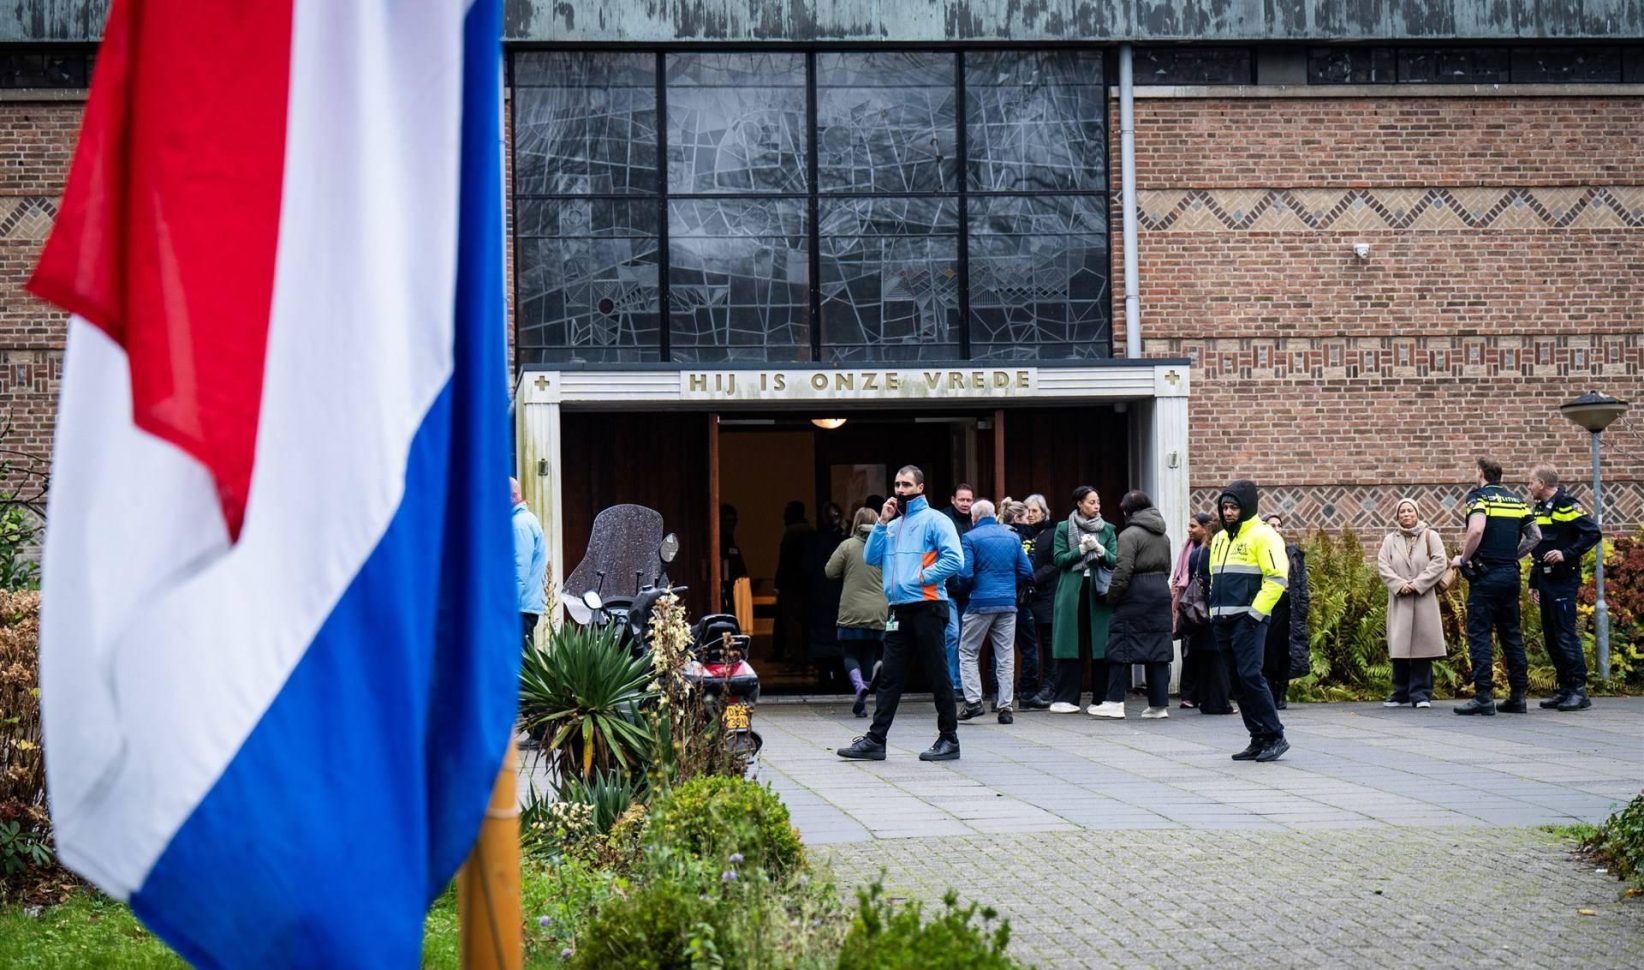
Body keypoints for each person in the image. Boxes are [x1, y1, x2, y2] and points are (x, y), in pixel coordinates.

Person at [837, 465, 965, 762]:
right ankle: (875, 740)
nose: (900, 489)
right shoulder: (892, 525)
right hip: (898, 609)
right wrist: (881, 522)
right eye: (897, 484)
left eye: (906, 484)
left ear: (921, 487)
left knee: (937, 674)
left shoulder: (936, 520)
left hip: (928, 606)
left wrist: (922, 577)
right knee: (890, 677)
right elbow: (870, 557)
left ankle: (949, 738)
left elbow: (955, 559)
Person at [1208, 479, 1290, 762]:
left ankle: (1275, 735)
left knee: (1250, 676)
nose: (1228, 512)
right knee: (1237, 681)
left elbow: (1277, 578)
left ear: (1247, 507)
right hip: (1222, 621)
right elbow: (1214, 579)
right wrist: (1212, 613)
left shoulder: (1264, 535)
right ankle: (1257, 736)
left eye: (1234, 507)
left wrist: (1255, 614)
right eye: (1225, 507)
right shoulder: (1219, 539)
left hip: (1248, 620)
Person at [1453, 458, 1541, 716]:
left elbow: (1477, 529)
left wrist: (1464, 558)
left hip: (1486, 576)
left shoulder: (1479, 498)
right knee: (1511, 635)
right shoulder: (1516, 502)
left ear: (1480, 473)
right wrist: (1513, 555)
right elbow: (1536, 536)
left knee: (1479, 634)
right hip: (1510, 576)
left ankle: (1483, 697)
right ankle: (1518, 697)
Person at [1527, 464, 1603, 711]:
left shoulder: (1567, 505)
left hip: (1563, 580)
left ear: (1542, 483)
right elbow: (1538, 547)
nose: (1529, 487)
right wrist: (1533, 583)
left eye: (1531, 482)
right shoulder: (1539, 508)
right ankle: (1564, 688)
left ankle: (1578, 690)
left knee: (1564, 633)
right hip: (1546, 580)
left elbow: (1592, 534)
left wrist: (1566, 553)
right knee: (1551, 635)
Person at [1094, 490, 1174, 719]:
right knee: (1158, 648)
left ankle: (1114, 702)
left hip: (1135, 593)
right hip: (1159, 591)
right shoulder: (1163, 536)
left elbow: (1123, 570)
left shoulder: (1129, 535)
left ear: (1128, 511)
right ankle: (1159, 705)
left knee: (1120, 645)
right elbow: (1167, 568)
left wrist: (1112, 596)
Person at [956, 500, 1033, 725]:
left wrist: (964, 591)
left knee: (968, 651)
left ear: (974, 517)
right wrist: (1008, 585)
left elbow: (966, 574)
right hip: (1007, 603)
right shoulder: (1012, 537)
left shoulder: (970, 538)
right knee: (1005, 655)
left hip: (980, 602)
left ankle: (973, 701)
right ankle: (1006, 707)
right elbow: (1026, 570)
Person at [1044, 486, 1117, 714]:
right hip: (1072, 590)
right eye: (1092, 502)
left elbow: (1115, 561)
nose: (1096, 506)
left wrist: (1101, 551)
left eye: (1098, 502)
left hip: (1099, 590)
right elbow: (1059, 560)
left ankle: (1102, 697)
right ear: (1079, 504)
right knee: (1070, 643)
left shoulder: (1107, 529)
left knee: (1100, 644)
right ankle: (1066, 697)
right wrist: (1081, 550)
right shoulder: (1064, 528)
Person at [1376, 498, 1449, 708]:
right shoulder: (1390, 540)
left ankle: (1421, 693)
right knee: (1399, 647)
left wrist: (1417, 584)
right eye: (1402, 512)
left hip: (1423, 597)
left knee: (1422, 646)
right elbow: (1383, 566)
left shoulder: (1430, 536)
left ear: (1417, 513)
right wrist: (1400, 585)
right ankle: (1400, 692)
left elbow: (1439, 562)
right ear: (1397, 516)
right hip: (1400, 598)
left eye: (1410, 511)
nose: (1406, 514)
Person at [826, 507, 888, 717]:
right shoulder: (884, 544)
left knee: (850, 653)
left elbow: (830, 571)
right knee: (869, 654)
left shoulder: (848, 545)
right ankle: (862, 702)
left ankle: (859, 686)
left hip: (852, 609)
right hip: (879, 609)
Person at [1261, 513, 1310, 710]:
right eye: (1271, 525)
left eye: (1279, 525)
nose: (1276, 528)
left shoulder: (1291, 553)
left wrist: (1303, 605)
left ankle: (1281, 692)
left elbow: (1301, 582)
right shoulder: (1259, 550)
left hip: (1287, 607)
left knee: (1285, 651)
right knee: (1268, 651)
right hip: (1266, 605)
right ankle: (1269, 692)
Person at [1021, 494, 1061, 710]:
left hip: (1046, 596)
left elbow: (1055, 564)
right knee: (1029, 645)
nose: (1030, 514)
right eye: (1027, 510)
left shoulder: (1052, 534)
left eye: (1034, 511)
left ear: (1044, 513)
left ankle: (1049, 687)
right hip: (1026, 598)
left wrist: (1032, 578)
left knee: (1048, 643)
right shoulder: (1021, 534)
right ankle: (1028, 689)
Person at [1172, 512, 1214, 708]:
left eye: (1194, 526)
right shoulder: (1188, 548)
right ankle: (1189, 694)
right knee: (1188, 648)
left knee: (1199, 649)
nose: (1189, 530)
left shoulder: (1209, 550)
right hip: (1189, 602)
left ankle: (1200, 693)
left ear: (1206, 528)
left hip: (1201, 603)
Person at [1008, 500, 1045, 699]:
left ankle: (999, 694)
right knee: (1029, 647)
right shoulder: (1023, 538)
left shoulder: (1000, 534)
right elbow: (1027, 569)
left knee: (1001, 648)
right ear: (1017, 518)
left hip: (1002, 596)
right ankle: (1028, 693)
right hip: (1021, 599)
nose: (1029, 518)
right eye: (1025, 515)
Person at [941, 484, 976, 697]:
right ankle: (953, 683)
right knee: (952, 634)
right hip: (948, 588)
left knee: (966, 637)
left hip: (970, 589)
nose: (965, 504)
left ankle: (965, 683)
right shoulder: (944, 520)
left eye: (968, 500)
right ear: (953, 500)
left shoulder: (975, 522)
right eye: (961, 499)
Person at [774, 500, 813, 663]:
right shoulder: (810, 533)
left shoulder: (792, 534)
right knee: (804, 620)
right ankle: (805, 653)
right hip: (808, 583)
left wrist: (778, 581)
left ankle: (797, 655)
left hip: (792, 584)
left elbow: (786, 561)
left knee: (792, 621)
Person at [511, 477, 547, 651]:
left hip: (520, 608)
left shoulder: (519, 525)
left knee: (521, 667)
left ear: (513, 496)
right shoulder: (524, 521)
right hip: (524, 607)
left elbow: (519, 568)